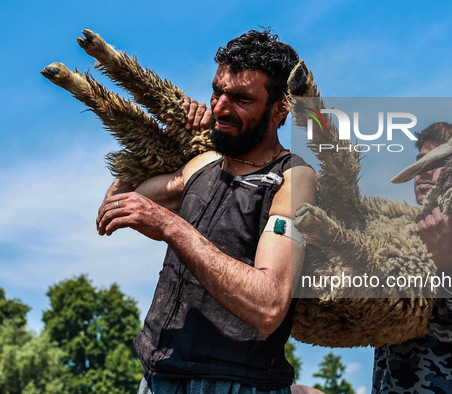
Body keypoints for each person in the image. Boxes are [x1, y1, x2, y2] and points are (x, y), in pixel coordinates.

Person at [96, 29, 316, 393]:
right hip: (154, 377)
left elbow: (269, 305)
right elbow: (116, 203)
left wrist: (170, 226)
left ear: (280, 109)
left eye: (241, 98)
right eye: (217, 91)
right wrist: (173, 138)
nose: (219, 107)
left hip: (235, 384)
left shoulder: (294, 179)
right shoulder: (202, 165)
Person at [372, 122, 452, 393]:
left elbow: (448, 327)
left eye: (438, 160)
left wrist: (447, 261)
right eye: (420, 162)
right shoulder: (400, 240)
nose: (424, 171)